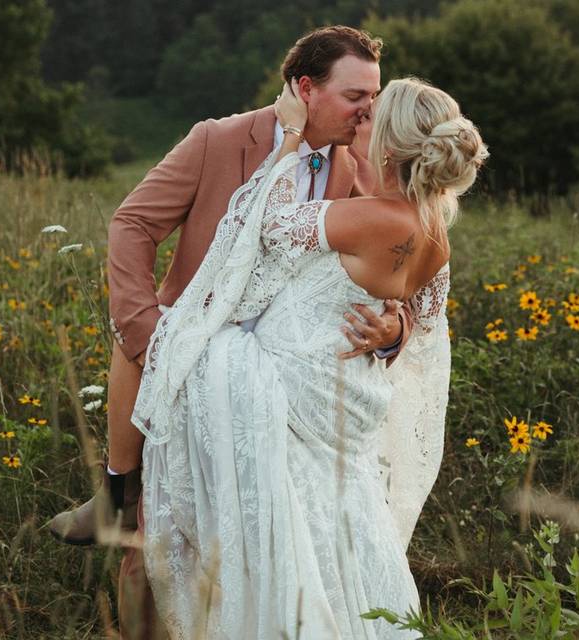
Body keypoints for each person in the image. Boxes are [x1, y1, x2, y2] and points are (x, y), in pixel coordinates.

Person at [47, 26, 414, 638]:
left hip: (282, 388)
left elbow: (401, 261)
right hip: (193, 359)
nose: (369, 111)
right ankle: (117, 493)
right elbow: (132, 224)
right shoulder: (217, 139)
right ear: (305, 88)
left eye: (374, 97)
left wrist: (392, 327)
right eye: (356, 96)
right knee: (157, 537)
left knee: (262, 541)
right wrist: (147, 330)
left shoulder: (359, 166)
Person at [130, 75, 487, 638]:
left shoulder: (375, 219)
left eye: (370, 118)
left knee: (196, 355)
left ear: (390, 147)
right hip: (344, 398)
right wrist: (393, 327)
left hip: (296, 388)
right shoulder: (433, 231)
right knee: (331, 523)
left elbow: (272, 222)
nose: (359, 120)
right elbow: (424, 316)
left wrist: (291, 138)